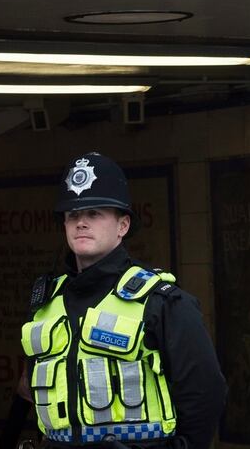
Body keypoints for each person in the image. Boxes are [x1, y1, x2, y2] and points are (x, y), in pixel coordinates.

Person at [21, 152, 226, 448]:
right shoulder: (46, 305)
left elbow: (207, 393)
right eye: (73, 215)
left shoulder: (160, 302)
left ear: (123, 225)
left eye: (94, 213)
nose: (81, 223)